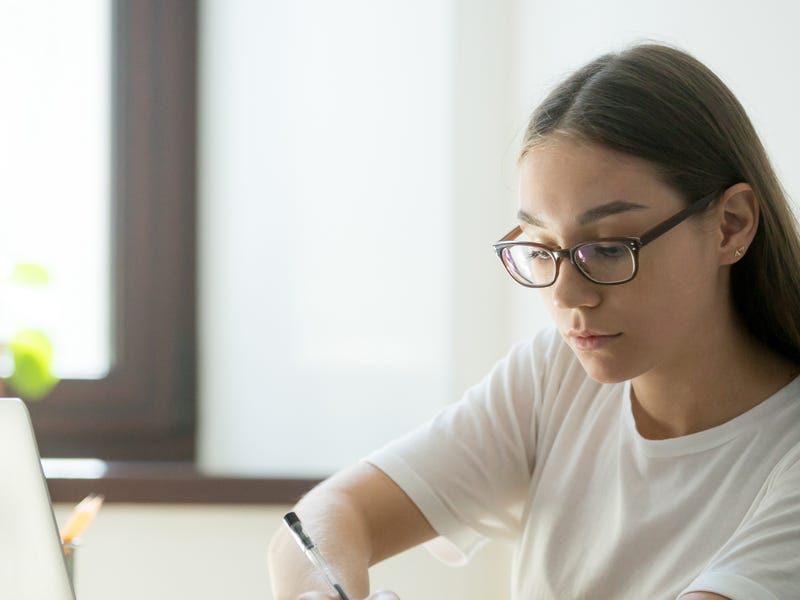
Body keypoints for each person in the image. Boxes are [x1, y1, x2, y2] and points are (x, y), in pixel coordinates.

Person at [267, 42, 800, 600]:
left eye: (609, 248)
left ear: (731, 225)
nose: (567, 294)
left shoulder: (784, 454)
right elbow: (323, 520)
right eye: (542, 248)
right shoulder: (557, 374)